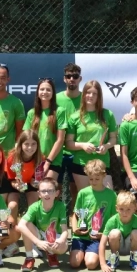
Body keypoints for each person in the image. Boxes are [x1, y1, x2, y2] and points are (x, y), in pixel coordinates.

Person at [65, 80, 117, 191]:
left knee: (107, 197)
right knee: (86, 199)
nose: (91, 96)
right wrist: (82, 145)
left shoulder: (108, 114)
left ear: (99, 96)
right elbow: (68, 143)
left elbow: (113, 138)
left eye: (94, 93)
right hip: (81, 163)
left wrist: (106, 146)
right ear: (83, 94)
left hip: (102, 163)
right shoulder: (74, 117)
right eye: (88, 92)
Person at [68, 160, 116, 271]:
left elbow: (114, 219)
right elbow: (76, 214)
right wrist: (75, 229)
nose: (93, 182)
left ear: (104, 176)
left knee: (91, 264)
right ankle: (80, 252)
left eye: (97, 179)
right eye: (91, 179)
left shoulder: (111, 195)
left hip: (97, 238)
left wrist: (104, 235)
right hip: (80, 236)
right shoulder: (83, 193)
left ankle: (92, 254)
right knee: (74, 263)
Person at [16, 177, 69, 272]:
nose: (47, 194)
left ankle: (51, 253)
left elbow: (65, 230)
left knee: (63, 248)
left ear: (56, 193)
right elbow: (20, 225)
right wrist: (37, 242)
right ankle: (29, 258)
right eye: (43, 191)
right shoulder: (34, 207)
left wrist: (61, 240)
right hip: (38, 234)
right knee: (26, 225)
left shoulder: (61, 206)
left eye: (50, 191)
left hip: (54, 236)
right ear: (39, 194)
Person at [98, 191, 137, 272]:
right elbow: (102, 243)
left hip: (132, 247)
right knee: (114, 233)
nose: (125, 213)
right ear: (116, 208)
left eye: (128, 209)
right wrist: (103, 264)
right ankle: (114, 258)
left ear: (134, 208)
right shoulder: (111, 221)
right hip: (117, 246)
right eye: (121, 209)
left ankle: (134, 259)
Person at [24, 78, 67, 182]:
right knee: (35, 190)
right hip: (34, 160)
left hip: (52, 161)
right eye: (42, 89)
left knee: (47, 188)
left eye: (48, 90)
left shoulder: (60, 111)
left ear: (53, 93)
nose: (45, 92)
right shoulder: (31, 113)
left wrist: (47, 162)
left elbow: (60, 140)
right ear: (37, 92)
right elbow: (25, 138)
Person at [56, 63, 83, 209]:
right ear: (64, 79)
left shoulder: (86, 99)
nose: (72, 79)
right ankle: (57, 218)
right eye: (69, 76)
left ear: (80, 79)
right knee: (56, 189)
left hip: (77, 151)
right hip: (58, 151)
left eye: (75, 76)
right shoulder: (55, 99)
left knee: (76, 190)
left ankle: (75, 218)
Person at [4, 130, 43, 218]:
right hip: (14, 185)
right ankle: (12, 225)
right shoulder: (12, 158)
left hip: (30, 185)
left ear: (38, 145)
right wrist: (17, 185)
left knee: (34, 207)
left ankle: (30, 225)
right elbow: (11, 179)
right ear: (20, 144)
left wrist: (36, 183)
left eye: (33, 144)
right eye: (26, 144)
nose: (30, 147)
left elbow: (36, 178)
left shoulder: (40, 158)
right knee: (12, 206)